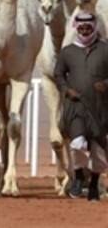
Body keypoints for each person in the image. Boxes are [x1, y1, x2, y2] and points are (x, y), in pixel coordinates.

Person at [55, 12, 108, 202]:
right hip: (76, 106)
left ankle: (94, 183)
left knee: (99, 152)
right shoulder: (68, 51)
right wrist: (66, 90)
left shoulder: (104, 49)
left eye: (88, 28)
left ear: (94, 28)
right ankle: (78, 175)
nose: (85, 31)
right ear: (76, 28)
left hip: (100, 108)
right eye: (81, 28)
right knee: (77, 142)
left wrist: (106, 84)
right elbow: (58, 74)